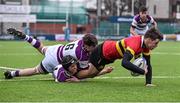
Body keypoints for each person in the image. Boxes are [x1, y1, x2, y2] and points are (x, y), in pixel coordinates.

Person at [4, 28, 113, 80]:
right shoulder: (81, 55)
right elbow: (87, 73)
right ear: (86, 45)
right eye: (92, 48)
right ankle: (12, 74)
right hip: (55, 60)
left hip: (56, 49)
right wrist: (102, 70)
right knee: (36, 70)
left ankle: (26, 37)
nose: (93, 50)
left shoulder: (82, 41)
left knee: (41, 48)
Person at [76, 27, 163, 86]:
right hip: (101, 52)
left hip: (108, 57)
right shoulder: (135, 43)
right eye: (156, 43)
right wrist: (142, 71)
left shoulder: (145, 47)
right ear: (149, 39)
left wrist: (148, 83)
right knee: (89, 74)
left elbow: (148, 65)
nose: (156, 46)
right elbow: (124, 63)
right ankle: (70, 76)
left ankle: (74, 73)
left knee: (92, 74)